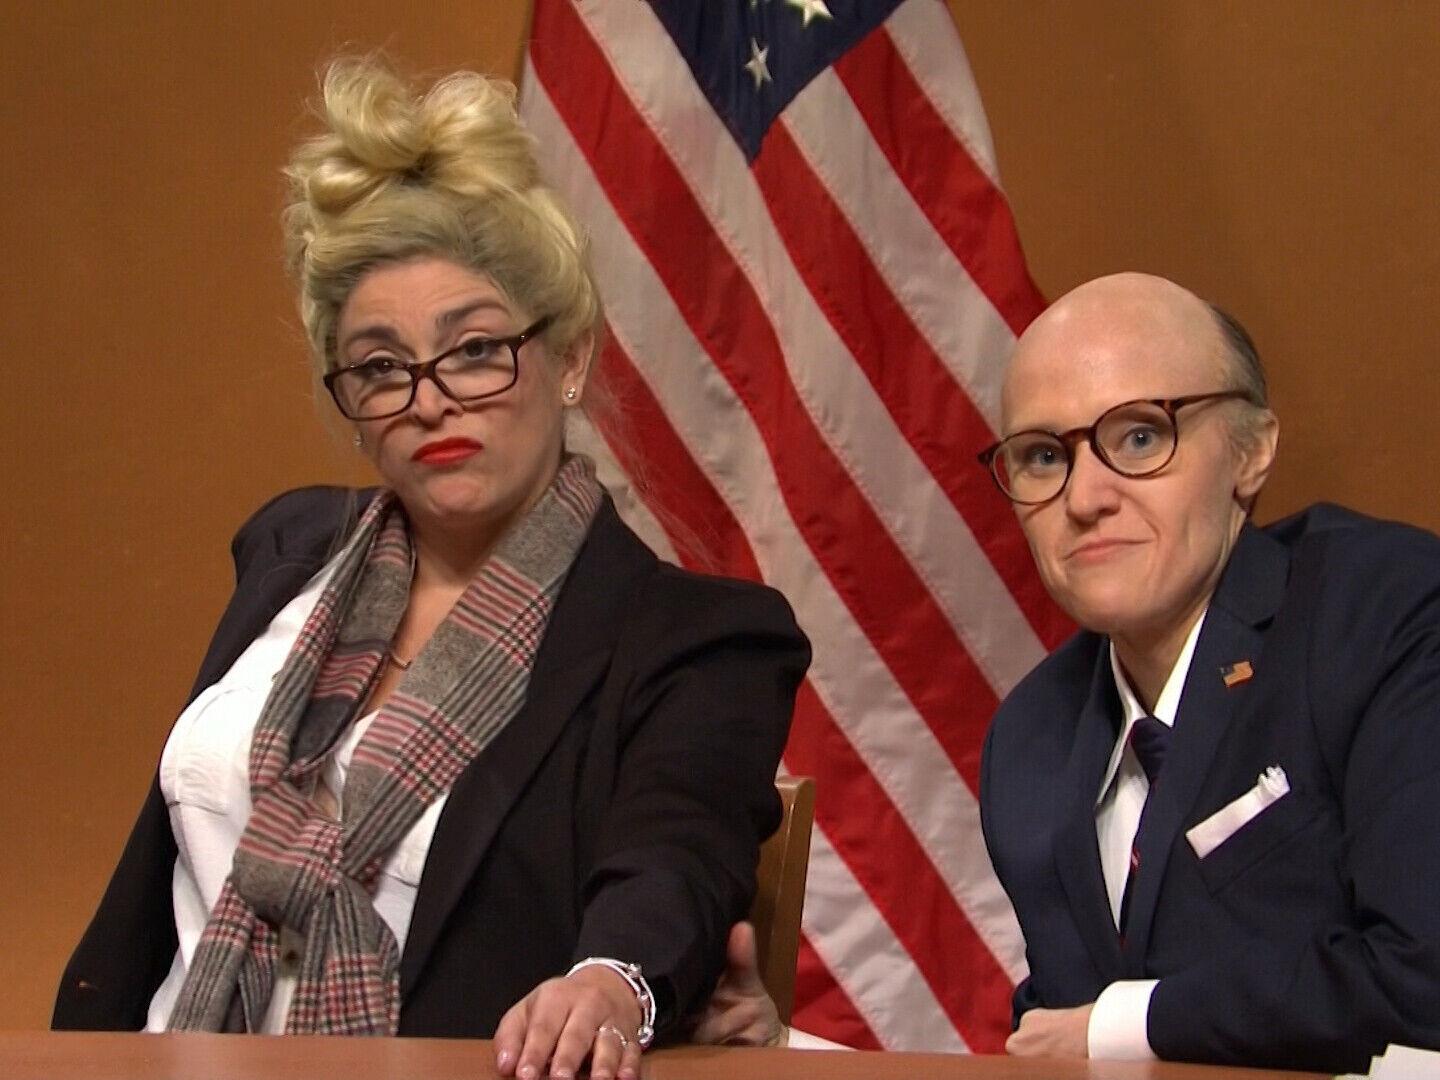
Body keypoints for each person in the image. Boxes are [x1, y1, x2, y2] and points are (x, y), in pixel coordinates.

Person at [52, 57, 809, 1080]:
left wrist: (613, 985)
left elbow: (678, 852)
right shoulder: (286, 549)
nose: (430, 398)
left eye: (476, 350)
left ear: (568, 358)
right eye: (381, 367)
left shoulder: (695, 639)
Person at [696, 272, 1440, 1074]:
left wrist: (1123, 1024)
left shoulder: (1382, 612)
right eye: (1044, 456)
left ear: (1252, 451)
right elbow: (1051, 1051)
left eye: (1141, 437)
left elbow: (1424, 975)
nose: (1084, 498)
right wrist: (782, 1052)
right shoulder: (1033, 738)